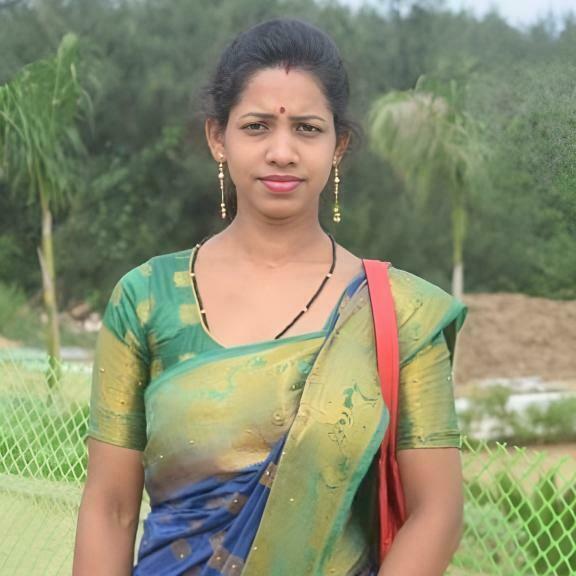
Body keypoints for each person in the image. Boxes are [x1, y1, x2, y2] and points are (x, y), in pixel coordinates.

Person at [73, 17, 467, 576]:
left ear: (338, 145)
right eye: (257, 126)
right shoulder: (146, 299)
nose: (282, 152)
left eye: (307, 129)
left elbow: (438, 512)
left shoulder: (396, 313)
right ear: (218, 137)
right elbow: (110, 509)